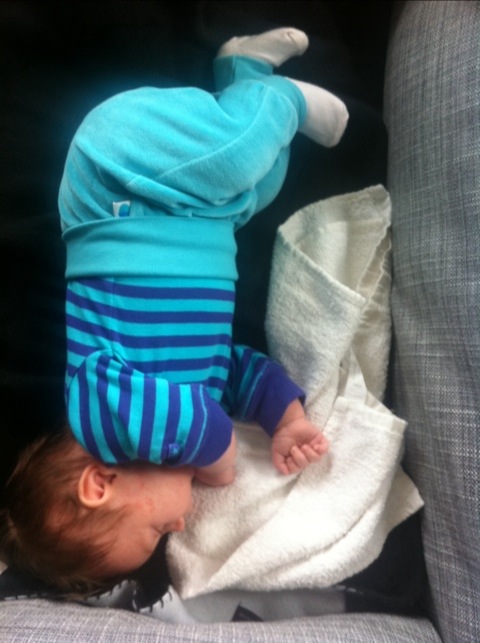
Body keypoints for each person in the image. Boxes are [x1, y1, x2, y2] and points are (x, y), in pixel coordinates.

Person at [0, 28, 347, 595]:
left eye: (156, 530)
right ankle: (244, 71)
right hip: (195, 216)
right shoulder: (189, 394)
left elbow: (199, 425)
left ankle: (282, 100)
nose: (180, 527)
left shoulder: (100, 415)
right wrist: (287, 420)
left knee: (237, 157)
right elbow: (238, 370)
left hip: (119, 179)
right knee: (260, 182)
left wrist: (221, 462)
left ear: (98, 485)